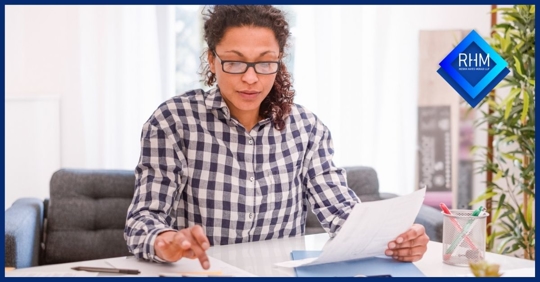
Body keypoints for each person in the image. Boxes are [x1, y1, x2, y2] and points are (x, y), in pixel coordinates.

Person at [124, 5, 429, 270]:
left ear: (279, 61)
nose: (251, 78)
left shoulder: (307, 129)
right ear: (212, 60)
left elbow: (343, 214)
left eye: (265, 62)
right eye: (234, 61)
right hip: (205, 272)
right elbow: (143, 219)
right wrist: (166, 240)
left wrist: (398, 239)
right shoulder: (173, 120)